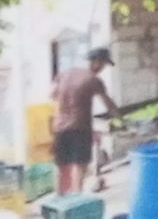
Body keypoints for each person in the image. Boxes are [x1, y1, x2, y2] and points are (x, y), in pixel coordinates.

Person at [51, 48, 120, 194]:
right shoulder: (93, 80)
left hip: (59, 126)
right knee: (79, 163)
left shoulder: (65, 73)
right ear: (96, 62)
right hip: (79, 126)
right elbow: (108, 103)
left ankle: (59, 196)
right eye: (103, 64)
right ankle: (77, 196)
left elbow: (52, 94)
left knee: (62, 164)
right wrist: (117, 115)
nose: (102, 68)